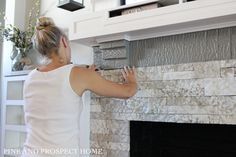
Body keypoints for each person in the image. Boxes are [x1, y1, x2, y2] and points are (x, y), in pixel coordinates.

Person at [21, 17, 137, 157]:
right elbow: (128, 92)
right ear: (64, 41)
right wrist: (132, 81)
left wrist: (85, 72)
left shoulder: (30, 78)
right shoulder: (78, 75)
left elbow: (59, 74)